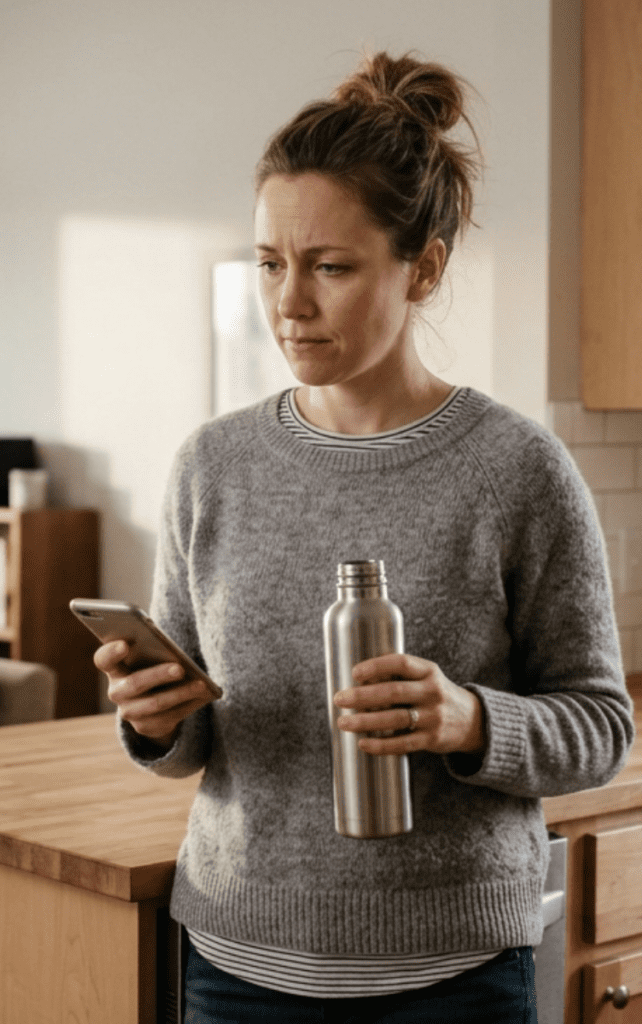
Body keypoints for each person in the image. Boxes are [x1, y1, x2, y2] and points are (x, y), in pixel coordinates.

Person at [96, 51, 635, 1024]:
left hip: (452, 979)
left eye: (330, 267)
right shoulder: (211, 467)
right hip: (235, 963)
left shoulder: (517, 470)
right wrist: (155, 715)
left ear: (422, 267)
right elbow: (192, 748)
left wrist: (471, 720)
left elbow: (601, 728)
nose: (289, 302)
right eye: (270, 263)